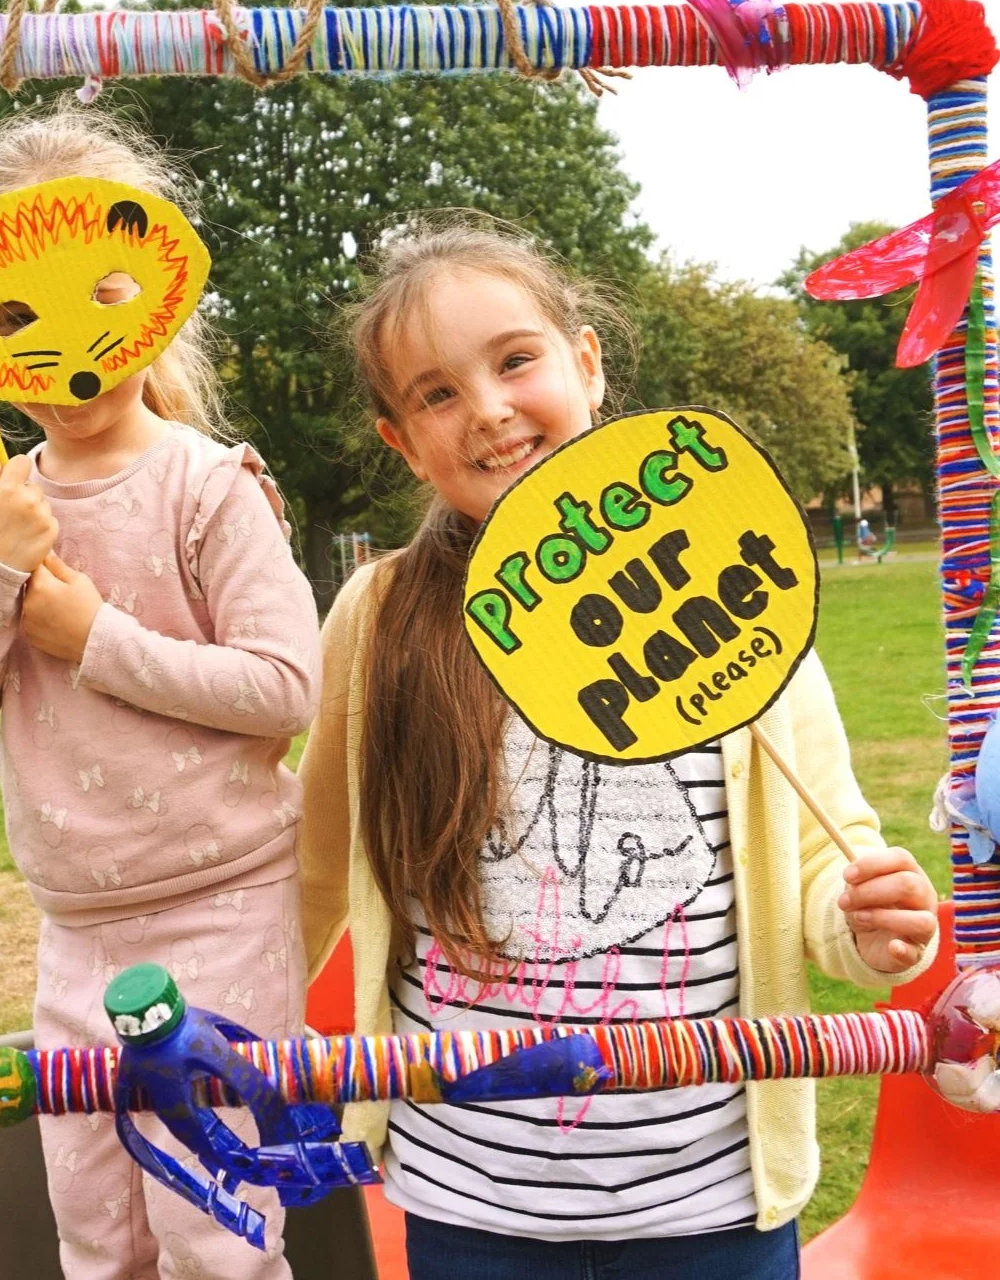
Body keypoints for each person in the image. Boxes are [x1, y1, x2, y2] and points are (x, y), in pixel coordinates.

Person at [298, 221, 940, 1280]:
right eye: (438, 394)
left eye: (515, 361)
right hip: (468, 1200)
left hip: (712, 1207)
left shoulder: (732, 584)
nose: (489, 409)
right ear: (402, 442)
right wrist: (229, 1019)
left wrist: (867, 923)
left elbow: (826, 861)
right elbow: (314, 868)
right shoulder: (378, 617)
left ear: (586, 364)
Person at [0, 101, 319, 1280]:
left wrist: (91, 634)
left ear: (155, 290)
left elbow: (286, 686)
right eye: (16, 316)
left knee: (215, 1232)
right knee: (96, 1234)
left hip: (226, 910)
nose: (61, 349)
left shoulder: (209, 488)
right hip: (74, 929)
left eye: (101, 296)